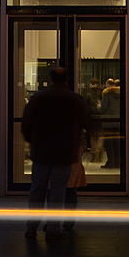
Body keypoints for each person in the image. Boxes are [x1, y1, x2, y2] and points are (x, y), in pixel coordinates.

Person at [21, 66, 90, 239]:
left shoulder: (38, 98)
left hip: (42, 151)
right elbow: (87, 122)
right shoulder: (75, 99)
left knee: (37, 189)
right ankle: (53, 227)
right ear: (67, 80)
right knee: (58, 191)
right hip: (64, 152)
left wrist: (32, 141)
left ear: (50, 79)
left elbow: (26, 124)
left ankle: (32, 226)